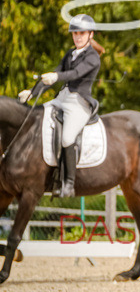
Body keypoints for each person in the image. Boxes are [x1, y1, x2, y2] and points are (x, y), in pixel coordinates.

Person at [18, 14, 102, 197]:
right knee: (35, 118)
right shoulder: (70, 53)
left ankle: (69, 183)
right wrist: (32, 92)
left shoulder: (93, 57)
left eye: (81, 33)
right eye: (75, 33)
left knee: (67, 138)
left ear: (90, 34)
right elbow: (55, 72)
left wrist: (57, 77)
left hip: (79, 102)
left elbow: (75, 73)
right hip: (61, 98)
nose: (77, 37)